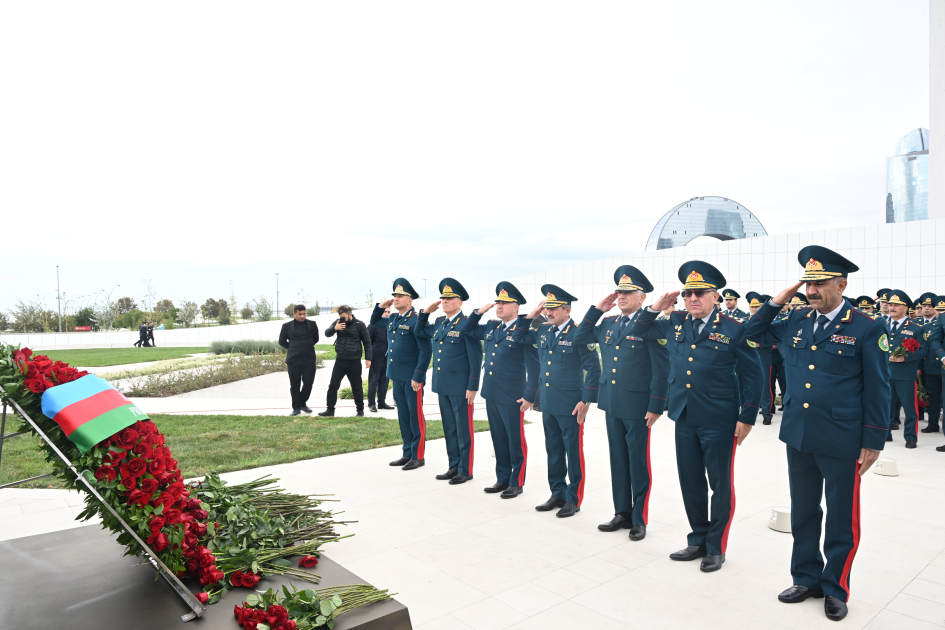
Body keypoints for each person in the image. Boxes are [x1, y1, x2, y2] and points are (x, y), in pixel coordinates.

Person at [745, 246, 890, 622]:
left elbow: (878, 386)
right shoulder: (795, 320)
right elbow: (750, 333)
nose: (812, 291)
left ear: (841, 284)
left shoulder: (866, 326)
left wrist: (873, 439)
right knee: (805, 512)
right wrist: (780, 298)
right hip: (799, 433)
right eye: (807, 283)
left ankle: (835, 587)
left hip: (842, 437)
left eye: (819, 283)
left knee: (842, 518)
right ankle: (806, 577)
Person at [630, 261, 761, 574]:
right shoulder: (675, 321)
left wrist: (748, 415)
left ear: (715, 296)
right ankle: (697, 538)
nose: (693, 299)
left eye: (700, 293)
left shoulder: (733, 328)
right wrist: (656, 306)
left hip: (719, 417)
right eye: (688, 293)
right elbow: (638, 330)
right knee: (690, 482)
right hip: (684, 414)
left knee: (720, 485)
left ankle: (716, 548)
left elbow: (754, 375)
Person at [575, 265, 669, 541]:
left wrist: (656, 405)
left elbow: (661, 368)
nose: (622, 296)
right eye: (619, 292)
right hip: (612, 401)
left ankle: (639, 519)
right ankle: (622, 512)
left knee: (637, 461)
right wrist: (597, 310)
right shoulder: (609, 322)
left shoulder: (650, 324)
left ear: (643, 298)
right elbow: (580, 337)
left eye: (628, 292)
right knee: (618, 459)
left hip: (638, 404)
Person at [512, 284, 601, 518]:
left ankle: (574, 498)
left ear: (567, 311)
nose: (549, 313)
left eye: (554, 309)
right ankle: (557, 493)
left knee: (573, 451)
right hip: (549, 403)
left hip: (572, 404)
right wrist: (532, 314)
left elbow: (593, 369)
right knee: (553, 450)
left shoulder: (579, 333)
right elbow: (518, 335)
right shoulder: (543, 331)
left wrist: (586, 401)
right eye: (547, 308)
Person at [462, 282, 538, 499]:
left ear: (516, 307)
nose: (499, 306)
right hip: (492, 392)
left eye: (505, 303)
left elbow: (534, 365)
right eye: (498, 302)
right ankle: (502, 478)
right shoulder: (493, 327)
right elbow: (467, 330)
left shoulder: (524, 331)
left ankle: (517, 481)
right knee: (498, 438)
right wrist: (478, 313)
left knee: (515, 439)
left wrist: (530, 395)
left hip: (513, 395)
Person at [417, 279, 483, 485]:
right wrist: (425, 312)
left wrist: (472, 385)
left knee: (463, 429)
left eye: (449, 299)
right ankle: (453, 465)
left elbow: (475, 356)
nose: (445, 302)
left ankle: (465, 469)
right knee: (450, 428)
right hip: (442, 385)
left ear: (460, 302)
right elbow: (419, 331)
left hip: (461, 387)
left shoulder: (466, 325)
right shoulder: (439, 323)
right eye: (443, 299)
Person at [371, 279, 433, 471]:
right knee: (403, 416)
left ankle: (418, 456)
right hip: (396, 374)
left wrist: (418, 375)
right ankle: (407, 453)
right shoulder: (394, 318)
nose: (395, 299)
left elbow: (425, 350)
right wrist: (380, 307)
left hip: (412, 378)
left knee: (415, 417)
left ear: (410, 299)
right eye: (394, 296)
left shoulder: (417, 320)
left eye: (399, 296)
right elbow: (374, 322)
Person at [884, 291, 927, 448]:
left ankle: (910, 437)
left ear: (906, 308)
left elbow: (924, 349)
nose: (892, 308)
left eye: (896, 305)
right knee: (885, 406)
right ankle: (885, 433)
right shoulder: (881, 325)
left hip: (905, 374)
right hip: (885, 372)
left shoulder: (915, 328)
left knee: (909, 408)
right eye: (890, 305)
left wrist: (906, 357)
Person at [320, 305, 372, 418]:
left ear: (350, 314)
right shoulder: (337, 322)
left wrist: (368, 358)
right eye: (340, 316)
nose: (342, 319)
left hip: (354, 361)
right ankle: (330, 410)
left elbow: (367, 343)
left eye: (344, 316)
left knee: (356, 386)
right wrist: (335, 328)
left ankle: (360, 410)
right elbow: (327, 333)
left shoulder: (360, 325)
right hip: (340, 361)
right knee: (333, 385)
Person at [278, 305, 320, 416]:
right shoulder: (286, 326)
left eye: (304, 314)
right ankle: (296, 407)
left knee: (308, 383)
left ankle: (302, 403)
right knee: (295, 384)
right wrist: (293, 348)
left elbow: (316, 339)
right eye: (300, 314)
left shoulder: (312, 324)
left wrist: (306, 347)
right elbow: (281, 341)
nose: (303, 316)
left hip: (309, 359)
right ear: (295, 314)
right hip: (294, 359)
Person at [747, 292, 776, 425]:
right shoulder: (745, 320)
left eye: (758, 307)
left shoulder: (767, 322)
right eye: (753, 307)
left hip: (763, 355)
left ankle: (767, 414)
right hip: (748, 355)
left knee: (765, 386)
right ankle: (746, 408)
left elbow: (773, 339)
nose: (755, 309)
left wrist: (761, 343)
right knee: (748, 384)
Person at [916, 292, 941, 432]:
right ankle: (933, 423)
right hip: (930, 367)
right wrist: (919, 366)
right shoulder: (926, 328)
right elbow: (922, 348)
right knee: (932, 397)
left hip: (942, 366)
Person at [367, 307, 394, 413]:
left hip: (388, 359)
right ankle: (371, 404)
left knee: (384, 382)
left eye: (388, 312)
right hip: (376, 358)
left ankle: (381, 403)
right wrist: (368, 358)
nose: (387, 314)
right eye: (385, 312)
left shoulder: (391, 325)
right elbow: (367, 343)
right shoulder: (373, 326)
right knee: (373, 381)